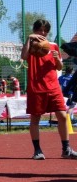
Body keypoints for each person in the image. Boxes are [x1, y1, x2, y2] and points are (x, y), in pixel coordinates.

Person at [21, 19, 77, 159]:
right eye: (40, 30)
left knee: (62, 116)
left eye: (45, 30)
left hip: (53, 87)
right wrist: (29, 39)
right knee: (35, 119)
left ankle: (66, 149)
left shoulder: (53, 45)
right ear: (34, 30)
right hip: (36, 87)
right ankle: (37, 150)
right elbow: (23, 57)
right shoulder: (31, 44)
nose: (43, 33)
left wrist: (57, 59)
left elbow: (59, 67)